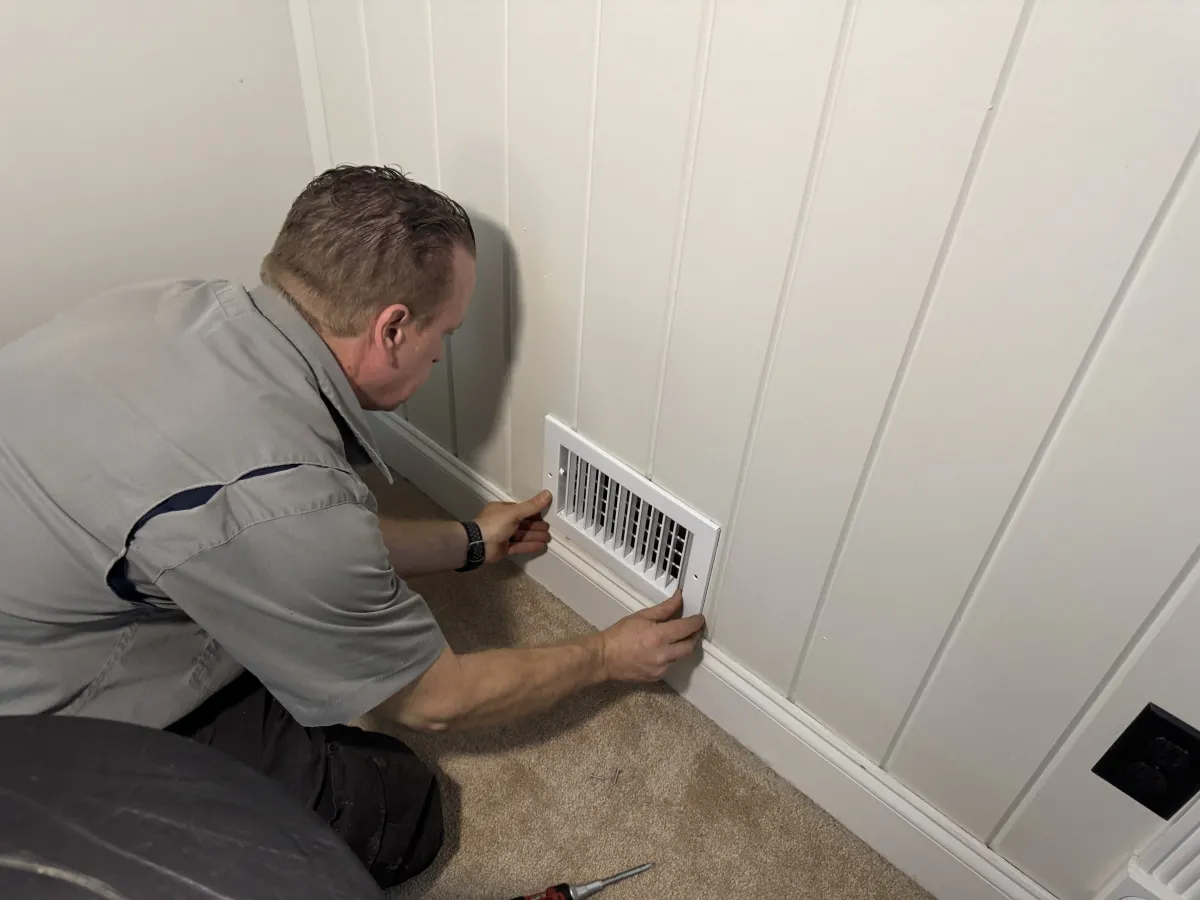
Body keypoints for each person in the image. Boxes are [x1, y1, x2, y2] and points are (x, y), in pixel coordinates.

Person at [0, 165, 706, 888]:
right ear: (393, 328)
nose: (441, 356)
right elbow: (436, 699)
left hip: (49, 589)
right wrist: (608, 657)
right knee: (400, 810)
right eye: (447, 335)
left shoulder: (187, 308)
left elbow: (281, 533)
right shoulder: (288, 508)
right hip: (35, 719)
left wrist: (469, 540)